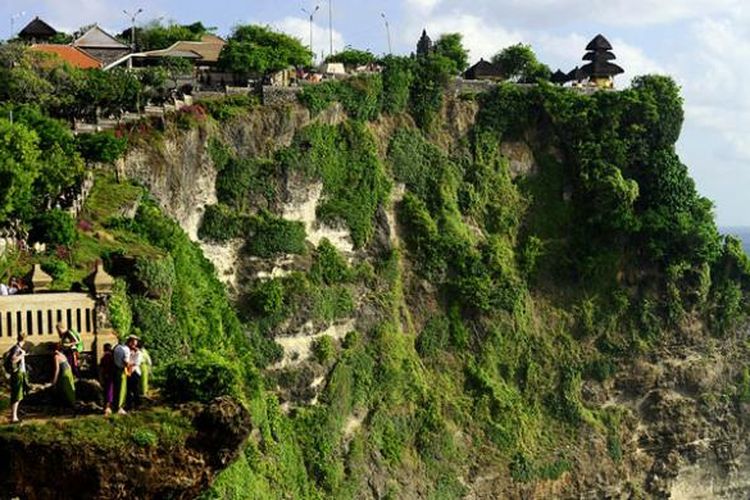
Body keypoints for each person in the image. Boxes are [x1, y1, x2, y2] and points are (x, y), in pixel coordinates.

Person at [112, 335, 137, 415]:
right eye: (133, 343)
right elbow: (125, 362)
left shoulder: (117, 347)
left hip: (115, 369)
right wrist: (132, 364)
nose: (134, 345)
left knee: (116, 389)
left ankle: (115, 405)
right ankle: (119, 407)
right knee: (122, 389)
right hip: (122, 370)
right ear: (129, 342)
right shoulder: (126, 350)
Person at [8, 333, 27, 423]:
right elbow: (13, 359)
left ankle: (15, 414)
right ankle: (14, 417)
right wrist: (22, 355)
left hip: (19, 373)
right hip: (18, 374)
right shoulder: (17, 348)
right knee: (17, 394)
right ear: (24, 340)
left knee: (18, 394)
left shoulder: (16, 347)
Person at [99, 343, 115, 416]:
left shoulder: (104, 357)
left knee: (106, 392)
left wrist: (101, 378)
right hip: (111, 376)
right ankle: (107, 408)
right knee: (109, 392)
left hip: (106, 376)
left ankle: (105, 408)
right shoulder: (112, 356)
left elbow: (101, 369)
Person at [127, 342, 143, 410]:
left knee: (135, 389)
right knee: (129, 389)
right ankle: (130, 404)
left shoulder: (139, 353)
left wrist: (129, 364)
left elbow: (136, 363)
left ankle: (137, 404)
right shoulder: (130, 353)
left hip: (135, 372)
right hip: (129, 372)